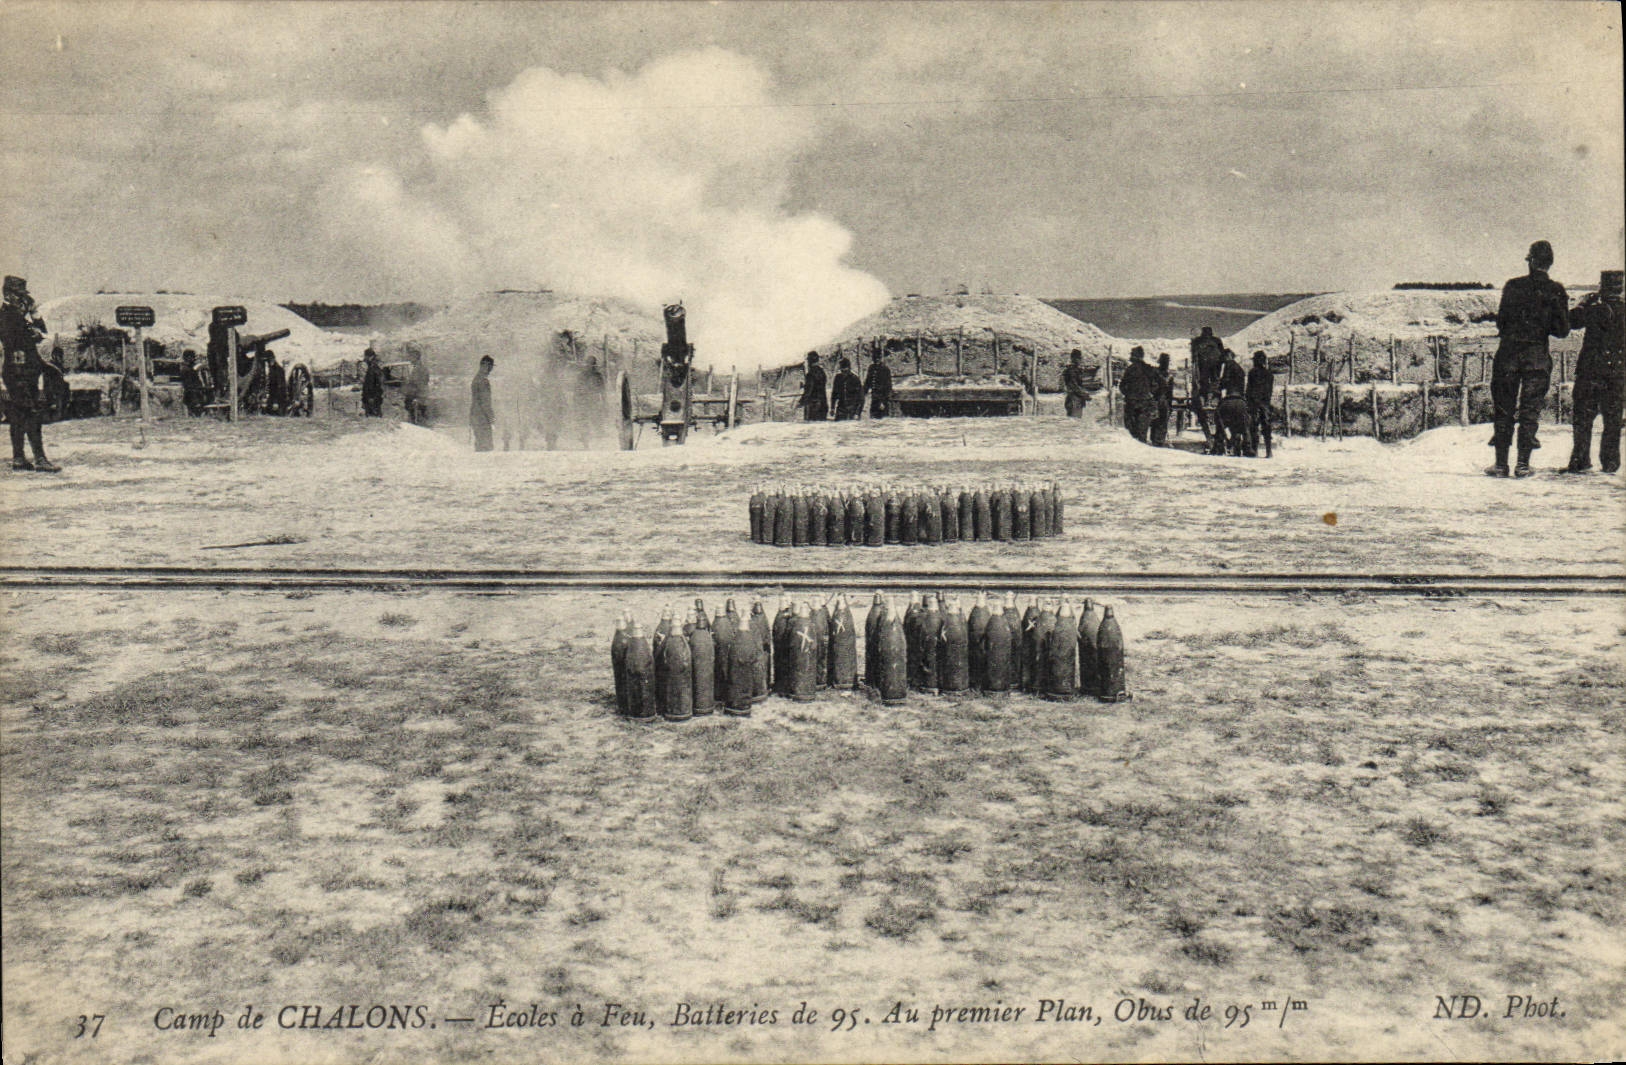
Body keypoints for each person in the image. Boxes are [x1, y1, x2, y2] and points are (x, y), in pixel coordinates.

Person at [1489, 240, 1569, 477]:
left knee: (1503, 409)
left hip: (1508, 356)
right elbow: (1562, 331)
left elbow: (1501, 323)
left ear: (1530, 261)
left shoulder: (1512, 286)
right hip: (1536, 358)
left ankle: (1500, 465)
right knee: (1529, 411)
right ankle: (1523, 465)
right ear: (1550, 263)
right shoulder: (1556, 290)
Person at [1565, 269, 1624, 475]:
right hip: (1618, 371)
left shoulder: (1594, 310)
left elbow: (1571, 321)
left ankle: (1581, 460)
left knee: (1583, 417)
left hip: (1590, 370)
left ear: (1602, 288)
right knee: (1613, 419)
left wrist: (1583, 303)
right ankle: (1610, 462)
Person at [1, 276, 61, 471]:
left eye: (24, 296)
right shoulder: (6, 316)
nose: (23, 300)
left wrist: (34, 314)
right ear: (8, 295)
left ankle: (19, 458)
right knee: (32, 413)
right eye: (19, 296)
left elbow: (42, 332)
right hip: (17, 372)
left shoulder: (20, 317)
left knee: (18, 415)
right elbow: (15, 344)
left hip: (26, 371)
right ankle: (40, 459)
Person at [1117, 345, 1160, 443]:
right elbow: (1156, 385)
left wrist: (1128, 394)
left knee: (1132, 432)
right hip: (1145, 402)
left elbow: (1122, 386)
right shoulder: (1148, 368)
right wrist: (1150, 394)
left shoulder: (1130, 369)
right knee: (1142, 432)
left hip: (1132, 403)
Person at [1189, 325, 1225, 437]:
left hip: (1204, 364)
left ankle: (1206, 398)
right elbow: (1222, 355)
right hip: (1214, 364)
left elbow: (1194, 356)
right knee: (1213, 381)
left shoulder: (1198, 341)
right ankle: (1213, 397)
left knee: (1204, 382)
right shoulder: (1216, 340)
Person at [1246, 350, 1275, 458]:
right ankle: (1269, 451)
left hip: (1254, 403)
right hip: (1265, 403)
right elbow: (1269, 391)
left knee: (1254, 426)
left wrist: (1249, 401)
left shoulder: (1252, 373)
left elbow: (1249, 389)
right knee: (1266, 427)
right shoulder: (1269, 374)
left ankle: (1255, 451)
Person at [471, 354, 495, 451]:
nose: (491, 370)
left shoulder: (476, 379)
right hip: (482, 418)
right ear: (485, 365)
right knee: (486, 447)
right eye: (490, 367)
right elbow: (485, 402)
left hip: (476, 416)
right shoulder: (483, 381)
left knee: (480, 445)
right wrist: (491, 417)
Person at [401, 344, 430, 425]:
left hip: (417, 397)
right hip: (415, 396)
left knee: (417, 420)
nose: (409, 359)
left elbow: (421, 384)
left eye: (411, 357)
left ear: (416, 357)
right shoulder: (417, 368)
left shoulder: (421, 369)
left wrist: (416, 397)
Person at [1150, 352, 1174, 446]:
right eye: (1164, 361)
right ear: (1160, 362)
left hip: (1164, 401)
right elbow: (1151, 387)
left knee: (1163, 421)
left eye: (1167, 362)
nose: (1166, 364)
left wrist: (1170, 404)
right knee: (1156, 421)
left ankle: (1160, 441)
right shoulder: (1155, 374)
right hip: (1155, 400)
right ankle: (1155, 441)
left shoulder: (1169, 376)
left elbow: (1170, 392)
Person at [863, 349, 893, 419]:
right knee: (873, 418)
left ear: (880, 358)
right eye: (875, 358)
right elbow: (868, 382)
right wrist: (863, 393)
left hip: (882, 397)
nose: (876, 360)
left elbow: (888, 387)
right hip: (874, 397)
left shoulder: (885, 369)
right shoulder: (871, 368)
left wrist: (883, 401)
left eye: (878, 358)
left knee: (882, 418)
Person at [799, 351, 828, 422]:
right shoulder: (822, 372)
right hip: (823, 404)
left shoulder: (810, 374)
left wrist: (801, 402)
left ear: (810, 361)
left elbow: (809, 390)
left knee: (811, 426)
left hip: (813, 406)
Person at [1061, 348, 1091, 418]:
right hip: (1073, 400)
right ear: (1072, 358)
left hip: (1077, 400)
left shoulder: (1077, 370)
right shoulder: (1071, 371)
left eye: (1080, 358)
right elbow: (1073, 386)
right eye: (1077, 358)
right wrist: (1084, 395)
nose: (1079, 360)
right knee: (1074, 420)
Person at [180, 350, 208, 416]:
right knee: (194, 396)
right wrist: (194, 369)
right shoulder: (184, 367)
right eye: (192, 357)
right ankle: (196, 410)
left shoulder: (191, 365)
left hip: (196, 387)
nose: (194, 359)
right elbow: (187, 376)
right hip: (190, 388)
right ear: (187, 357)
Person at [360, 347, 384, 417]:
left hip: (372, 398)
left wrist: (371, 397)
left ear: (370, 357)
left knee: (373, 417)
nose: (365, 358)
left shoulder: (373, 368)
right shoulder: (374, 367)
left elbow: (373, 384)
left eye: (366, 356)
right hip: (373, 397)